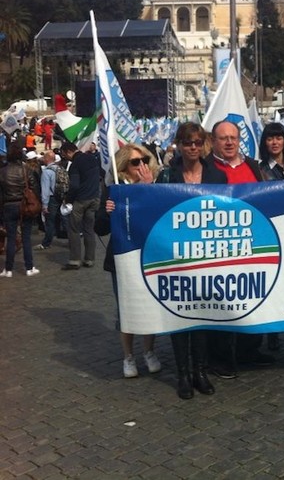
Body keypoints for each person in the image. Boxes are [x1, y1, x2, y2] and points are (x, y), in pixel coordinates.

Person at [157, 122, 227, 398]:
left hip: (207, 256)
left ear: (204, 144)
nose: (193, 147)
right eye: (188, 143)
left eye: (198, 142)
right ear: (179, 144)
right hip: (175, 255)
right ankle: (183, 374)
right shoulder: (168, 176)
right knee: (179, 316)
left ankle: (200, 371)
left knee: (201, 315)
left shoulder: (217, 176)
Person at [204, 119, 275, 372]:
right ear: (213, 141)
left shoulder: (254, 167)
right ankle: (220, 358)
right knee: (220, 304)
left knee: (251, 298)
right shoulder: (206, 168)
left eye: (233, 137)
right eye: (223, 138)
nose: (230, 142)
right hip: (219, 249)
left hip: (253, 245)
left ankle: (249, 350)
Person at [100, 144, 163, 378]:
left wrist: (146, 190)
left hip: (148, 257)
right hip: (122, 260)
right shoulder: (113, 190)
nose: (141, 166)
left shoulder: (156, 188)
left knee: (149, 305)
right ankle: (128, 356)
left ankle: (149, 351)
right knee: (125, 309)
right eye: (135, 162)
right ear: (124, 167)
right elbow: (99, 227)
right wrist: (107, 213)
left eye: (144, 160)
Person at [258, 122, 284, 350]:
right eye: (270, 138)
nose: (275, 142)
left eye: (278, 138)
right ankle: (272, 331)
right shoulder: (260, 169)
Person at [0, 144, 40, 277]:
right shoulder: (26, 170)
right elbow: (34, 187)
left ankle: (8, 269)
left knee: (11, 238)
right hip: (24, 205)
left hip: (8, 205)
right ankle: (29, 267)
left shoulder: (2, 171)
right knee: (26, 237)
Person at [60, 141, 100, 270]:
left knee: (74, 229)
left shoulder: (75, 164)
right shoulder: (92, 158)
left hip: (81, 200)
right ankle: (89, 259)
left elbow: (75, 185)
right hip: (94, 198)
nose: (65, 158)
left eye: (64, 155)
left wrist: (68, 199)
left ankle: (75, 260)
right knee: (89, 229)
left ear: (69, 152)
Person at [35, 151, 62, 250]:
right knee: (61, 219)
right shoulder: (59, 168)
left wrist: (44, 205)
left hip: (51, 198)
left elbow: (45, 190)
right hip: (60, 197)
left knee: (49, 222)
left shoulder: (47, 172)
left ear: (46, 159)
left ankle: (46, 243)